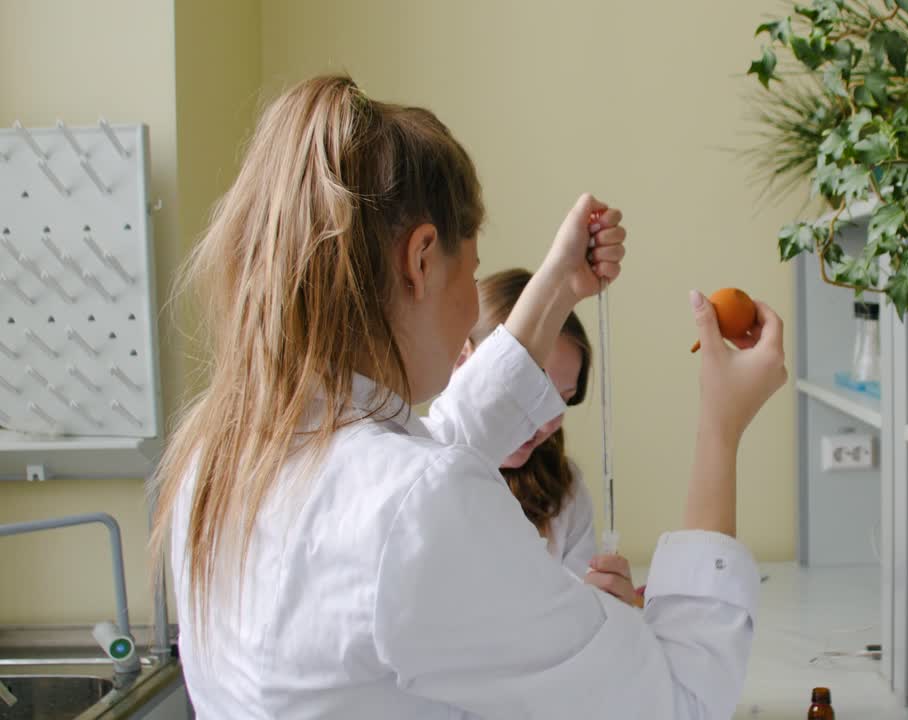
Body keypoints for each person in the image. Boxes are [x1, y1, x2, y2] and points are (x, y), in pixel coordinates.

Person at [150, 75, 787, 719]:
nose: (472, 298)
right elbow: (679, 703)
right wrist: (721, 425)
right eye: (472, 269)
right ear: (421, 259)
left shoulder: (220, 452)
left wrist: (557, 288)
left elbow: (434, 447)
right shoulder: (415, 503)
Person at [457, 269, 631, 598]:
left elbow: (577, 614)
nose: (547, 422)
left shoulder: (564, 491)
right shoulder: (425, 477)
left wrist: (603, 608)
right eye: (535, 393)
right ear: (463, 362)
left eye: (564, 399)